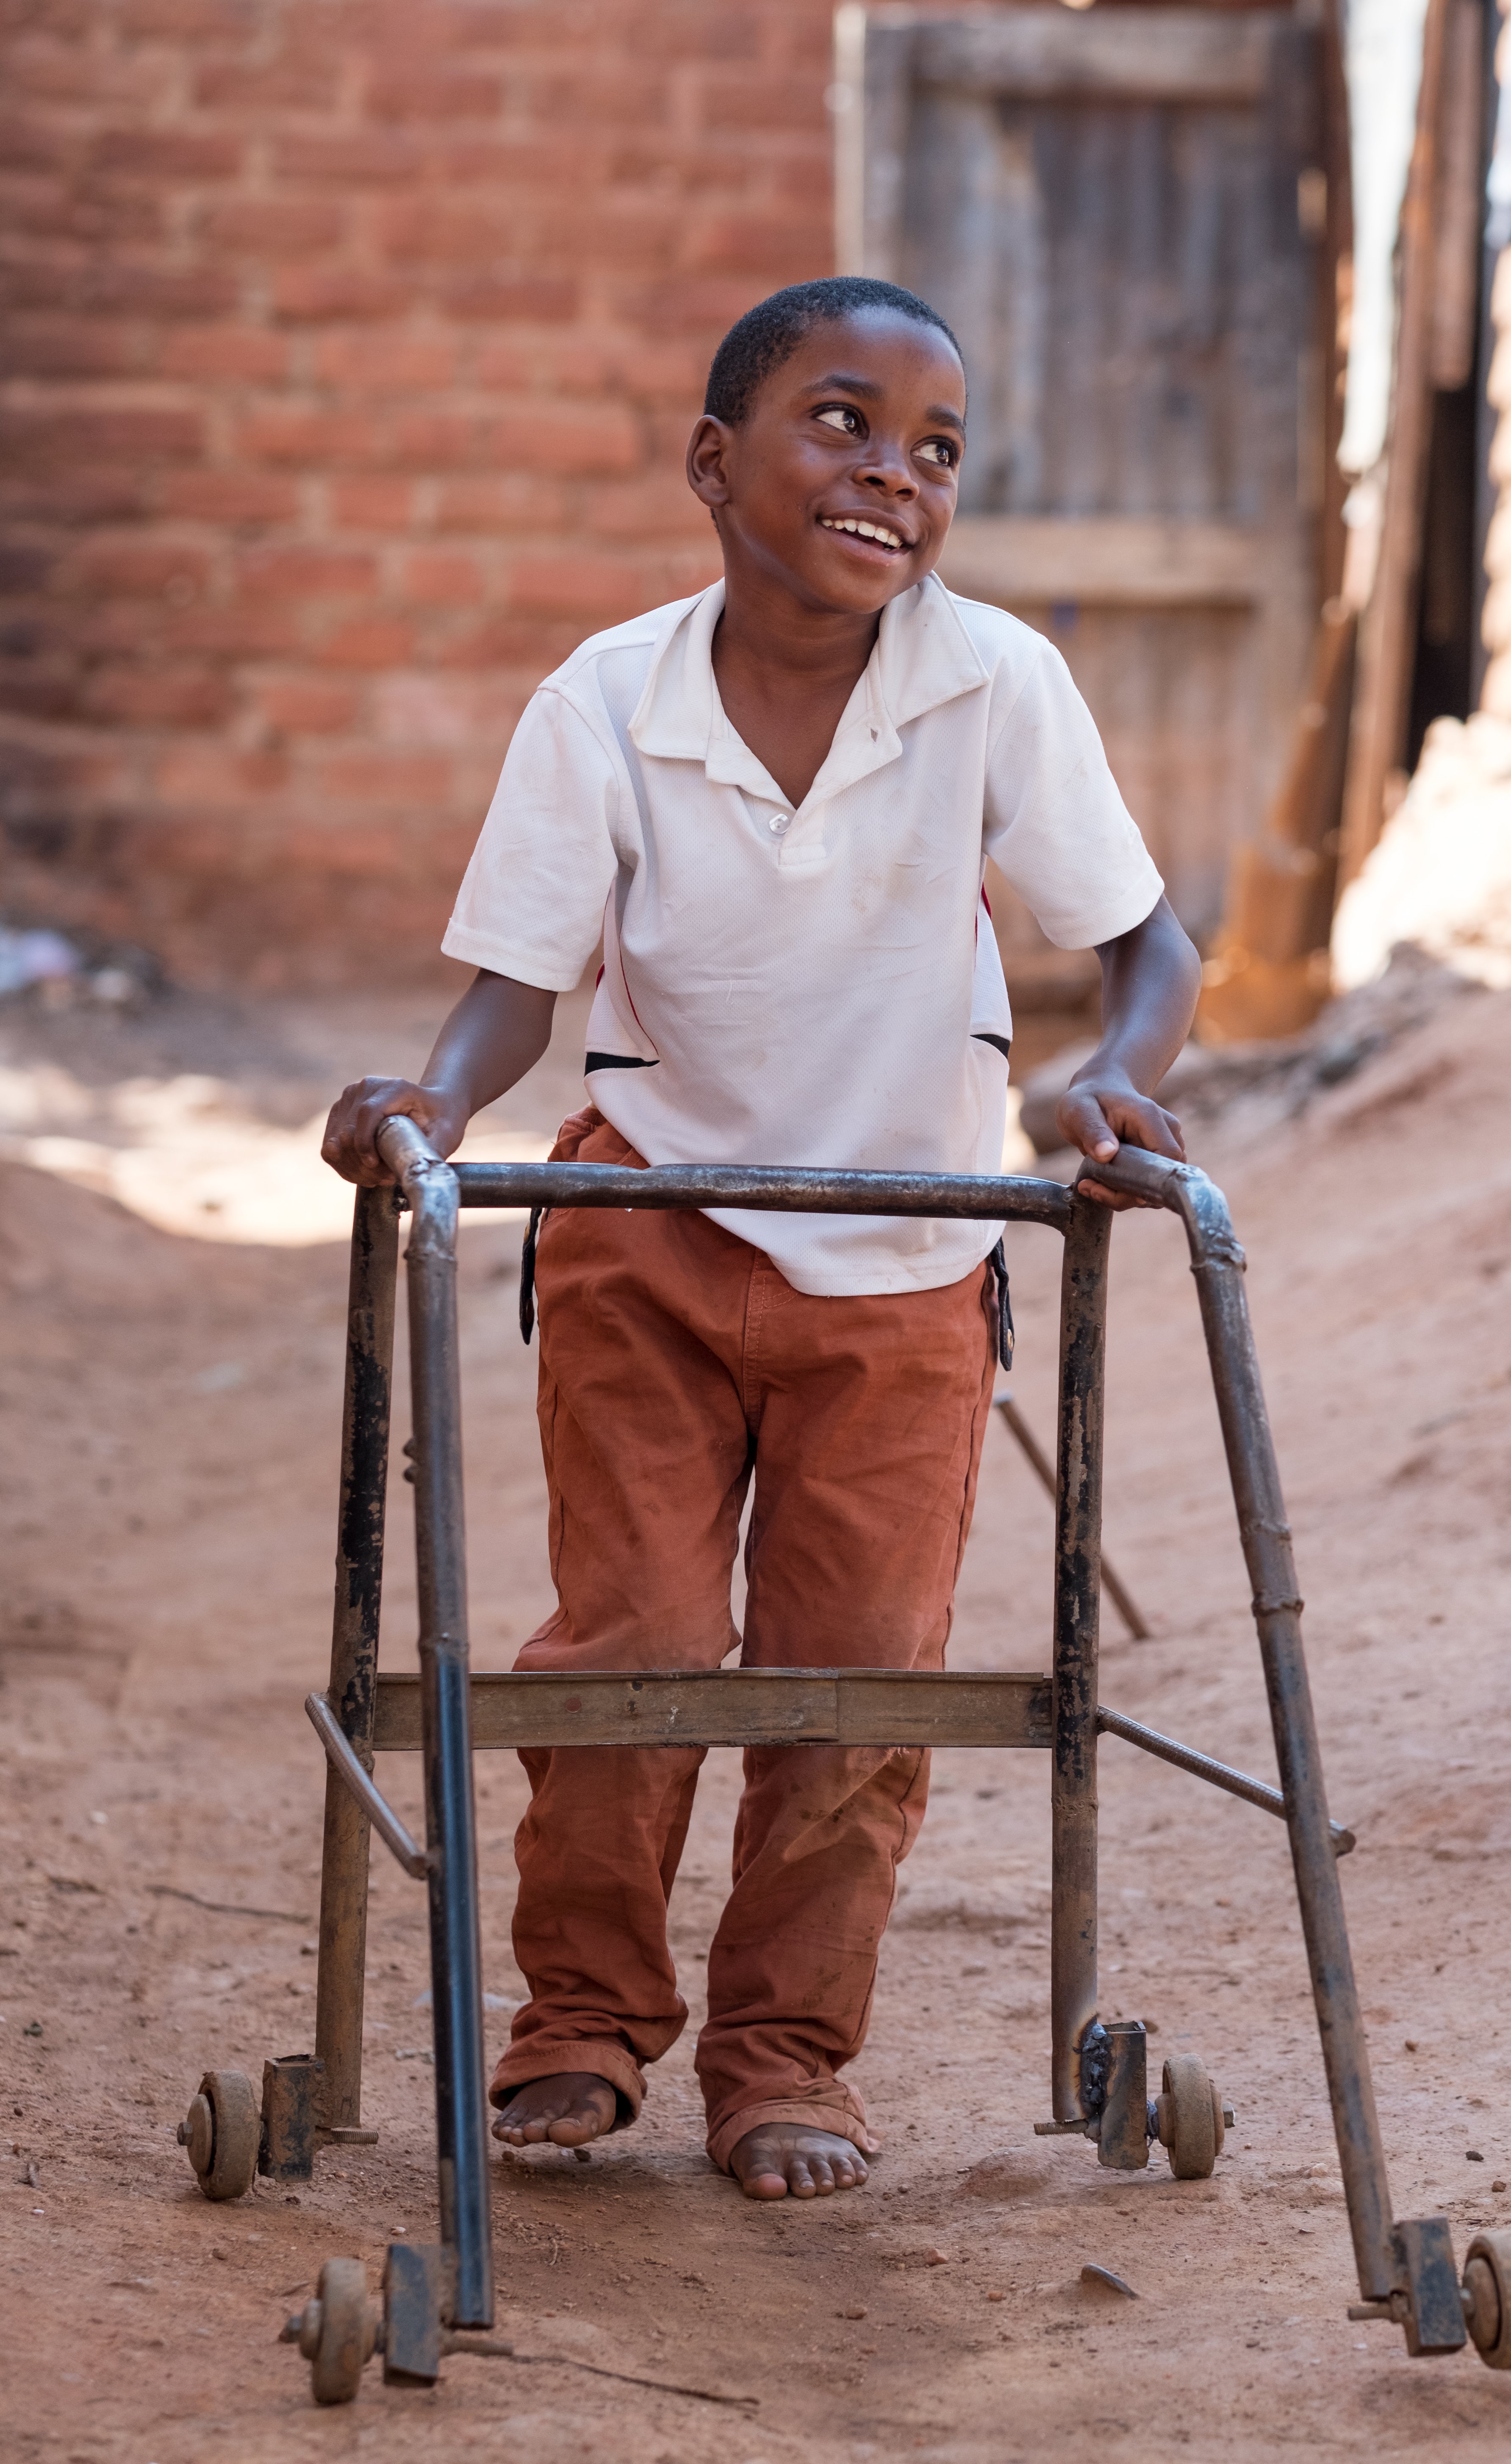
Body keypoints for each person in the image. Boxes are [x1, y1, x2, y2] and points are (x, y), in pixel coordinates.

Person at [322, 275, 1201, 2203]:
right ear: (715, 463)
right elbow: (515, 982)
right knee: (629, 1639)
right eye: (842, 421)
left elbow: (1144, 944)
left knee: (855, 1667)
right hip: (649, 1217)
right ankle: (578, 2016)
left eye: (937, 447)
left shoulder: (993, 685)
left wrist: (1111, 1082)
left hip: (904, 1255)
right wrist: (434, 1105)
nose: (893, 471)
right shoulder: (608, 700)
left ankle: (788, 2049)